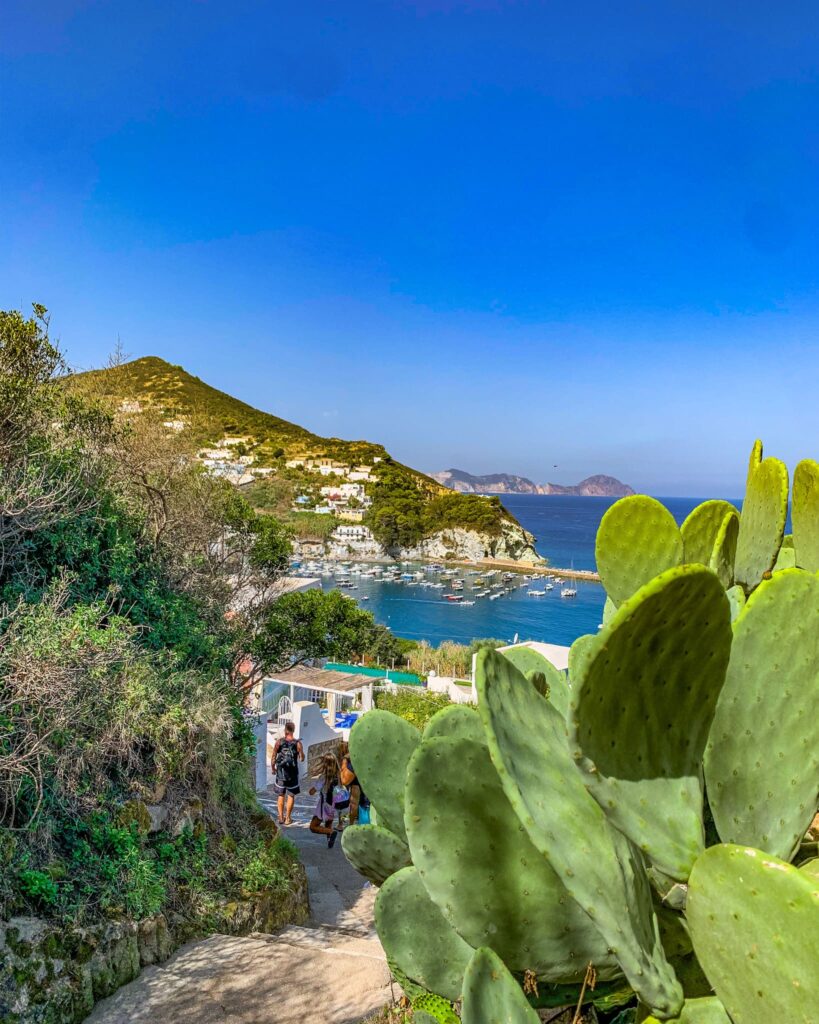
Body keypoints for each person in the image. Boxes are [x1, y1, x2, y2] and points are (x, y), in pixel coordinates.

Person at [308, 752, 349, 848]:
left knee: (313, 826)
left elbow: (312, 792)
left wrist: (312, 788)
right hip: (334, 805)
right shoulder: (340, 775)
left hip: (325, 805)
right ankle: (330, 841)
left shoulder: (324, 777)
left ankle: (331, 832)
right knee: (328, 823)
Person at [271, 721, 304, 826]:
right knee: (291, 795)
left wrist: (273, 768)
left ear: (285, 730)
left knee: (281, 795)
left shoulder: (279, 742)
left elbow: (273, 757)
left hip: (281, 773)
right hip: (293, 774)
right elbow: (302, 759)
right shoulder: (297, 743)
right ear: (293, 730)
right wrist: (300, 752)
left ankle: (280, 818)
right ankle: (288, 818)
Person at [339, 741, 369, 826]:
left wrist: (344, 761)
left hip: (365, 802)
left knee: (353, 802)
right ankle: (350, 823)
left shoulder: (356, 760)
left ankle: (350, 824)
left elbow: (344, 780)